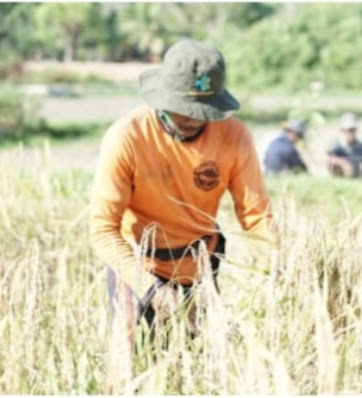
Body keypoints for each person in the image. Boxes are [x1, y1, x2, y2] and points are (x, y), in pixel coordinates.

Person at [89, 39, 272, 342]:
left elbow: (257, 216)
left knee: (197, 358)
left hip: (200, 262)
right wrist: (151, 289)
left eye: (202, 111)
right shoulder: (127, 137)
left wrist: (274, 270)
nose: (191, 119)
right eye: (182, 109)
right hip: (136, 265)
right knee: (131, 362)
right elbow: (103, 230)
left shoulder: (234, 136)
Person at [326, 112, 362, 179]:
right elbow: (329, 159)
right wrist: (343, 163)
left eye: (353, 130)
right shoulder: (337, 145)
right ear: (342, 130)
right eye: (348, 130)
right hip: (340, 176)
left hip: (356, 176)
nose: (351, 133)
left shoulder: (361, 146)